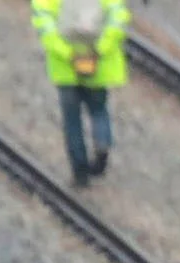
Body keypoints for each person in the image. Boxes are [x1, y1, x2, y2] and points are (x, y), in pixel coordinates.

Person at [33, 0, 125, 184]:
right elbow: (117, 19)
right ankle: (102, 146)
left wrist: (67, 53)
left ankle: (80, 173)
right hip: (98, 66)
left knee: (72, 121)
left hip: (66, 70)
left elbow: (45, 25)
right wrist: (100, 49)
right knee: (99, 110)